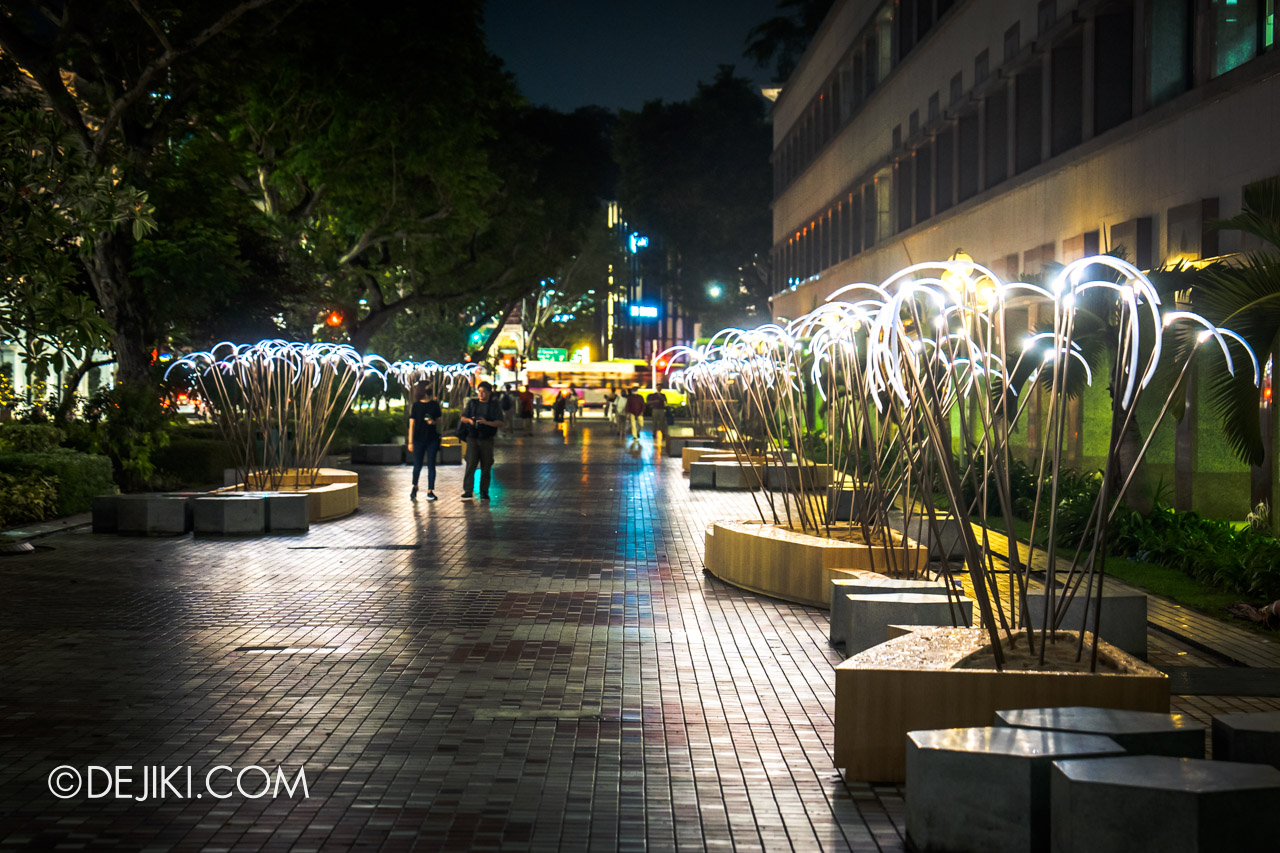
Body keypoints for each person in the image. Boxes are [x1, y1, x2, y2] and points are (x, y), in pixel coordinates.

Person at [460, 381, 504, 501]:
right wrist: (470, 421)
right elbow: (463, 417)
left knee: (486, 465)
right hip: (472, 437)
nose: (481, 394)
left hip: (487, 438)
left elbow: (500, 422)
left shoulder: (494, 406)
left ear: (489, 393)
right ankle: (468, 490)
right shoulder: (472, 403)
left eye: (484, 391)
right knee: (471, 464)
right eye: (479, 391)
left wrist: (486, 423)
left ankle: (484, 491)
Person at [407, 382, 442, 501]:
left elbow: (439, 422)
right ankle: (414, 486)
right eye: (428, 388)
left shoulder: (435, 405)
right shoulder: (416, 406)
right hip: (418, 439)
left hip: (432, 439)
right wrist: (410, 442)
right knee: (417, 465)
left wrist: (434, 422)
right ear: (422, 390)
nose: (430, 390)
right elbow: (411, 425)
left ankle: (430, 491)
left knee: (431, 465)